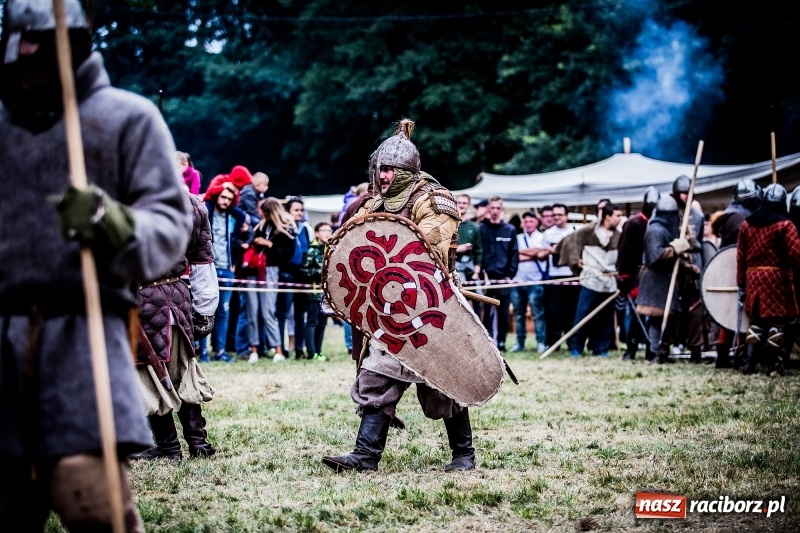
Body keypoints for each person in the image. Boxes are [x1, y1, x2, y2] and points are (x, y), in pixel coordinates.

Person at [0, 1, 191, 530]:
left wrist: (114, 223)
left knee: (92, 500)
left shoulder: (126, 118)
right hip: (2, 343)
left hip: (83, 341)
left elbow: (172, 228)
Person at [322, 119, 475, 473]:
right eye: (380, 169)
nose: (384, 176)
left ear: (407, 169)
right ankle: (365, 456)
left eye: (390, 169)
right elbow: (352, 238)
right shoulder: (375, 202)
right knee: (379, 371)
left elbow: (426, 246)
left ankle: (463, 454)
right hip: (392, 308)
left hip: (433, 305)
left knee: (445, 381)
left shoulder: (434, 199)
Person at [132, 189, 219, 459]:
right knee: (182, 370)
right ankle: (198, 443)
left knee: (150, 373)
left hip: (141, 298)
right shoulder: (192, 201)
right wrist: (205, 308)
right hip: (178, 295)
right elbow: (202, 260)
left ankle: (169, 448)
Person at [737, 183, 800, 376]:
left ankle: (748, 365)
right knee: (776, 323)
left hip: (754, 278)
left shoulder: (747, 224)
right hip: (777, 279)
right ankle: (774, 367)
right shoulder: (785, 225)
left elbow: (740, 257)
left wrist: (742, 282)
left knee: (756, 322)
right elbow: (796, 254)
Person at [560, 203, 624, 357]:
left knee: (605, 318)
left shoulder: (619, 235)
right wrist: (576, 260)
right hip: (591, 279)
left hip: (609, 282)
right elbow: (571, 242)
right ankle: (576, 347)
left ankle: (600, 348)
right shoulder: (588, 231)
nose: (620, 219)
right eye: (618, 216)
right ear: (608, 216)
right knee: (583, 315)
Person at [635, 195, 692, 364]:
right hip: (655, 279)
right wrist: (674, 248)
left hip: (666, 278)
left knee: (667, 319)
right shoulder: (656, 230)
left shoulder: (666, 229)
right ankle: (654, 352)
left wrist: (687, 266)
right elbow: (655, 256)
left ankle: (663, 351)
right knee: (656, 318)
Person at [711, 178, 762, 367]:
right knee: (738, 317)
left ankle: (725, 356)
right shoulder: (739, 219)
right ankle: (732, 356)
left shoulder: (731, 216)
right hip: (736, 269)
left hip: (731, 269)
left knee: (731, 316)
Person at [204, 180, 250, 362]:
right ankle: (201, 352)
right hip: (208, 268)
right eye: (222, 197)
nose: (225, 201)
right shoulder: (206, 211)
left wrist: (232, 192)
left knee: (224, 310)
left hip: (227, 268)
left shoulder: (233, 216)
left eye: (229, 199)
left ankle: (220, 351)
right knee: (205, 310)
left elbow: (243, 216)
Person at [616, 187, 659, 360]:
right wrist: (625, 277)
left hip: (653, 275)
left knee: (653, 313)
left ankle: (651, 348)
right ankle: (631, 348)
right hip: (636, 275)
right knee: (635, 314)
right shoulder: (634, 223)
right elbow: (624, 251)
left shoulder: (658, 223)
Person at [252, 197, 298, 362]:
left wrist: (267, 244)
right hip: (259, 270)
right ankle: (264, 348)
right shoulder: (262, 226)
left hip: (275, 271)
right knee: (256, 311)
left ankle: (279, 348)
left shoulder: (287, 229)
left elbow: (285, 254)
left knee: (271, 311)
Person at [671, 175, 706, 363]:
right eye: (682, 193)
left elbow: (700, 243)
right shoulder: (669, 212)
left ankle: (695, 349)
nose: (685, 197)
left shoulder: (697, 215)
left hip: (694, 264)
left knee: (694, 309)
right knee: (675, 309)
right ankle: (674, 343)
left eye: (688, 193)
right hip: (676, 265)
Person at [480, 196, 519, 352]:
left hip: (504, 277)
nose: (495, 211)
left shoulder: (510, 230)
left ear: (502, 210)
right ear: (489, 209)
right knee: (487, 311)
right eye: (492, 208)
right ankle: (488, 340)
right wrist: (482, 272)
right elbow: (479, 251)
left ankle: (502, 341)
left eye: (498, 208)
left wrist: (511, 274)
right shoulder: (482, 228)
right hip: (487, 277)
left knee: (504, 312)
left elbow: (514, 254)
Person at [540, 203, 578, 351]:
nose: (556, 217)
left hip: (571, 277)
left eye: (559, 215)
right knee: (553, 312)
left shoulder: (574, 231)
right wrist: (550, 251)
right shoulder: (548, 234)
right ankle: (553, 344)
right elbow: (542, 256)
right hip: (554, 277)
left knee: (571, 313)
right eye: (554, 215)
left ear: (566, 216)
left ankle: (572, 344)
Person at [510, 211, 548, 353]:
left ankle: (541, 343)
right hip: (518, 280)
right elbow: (514, 256)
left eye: (531, 221)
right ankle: (519, 343)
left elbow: (542, 253)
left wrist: (526, 253)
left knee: (537, 313)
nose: (528, 224)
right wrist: (534, 253)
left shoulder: (543, 237)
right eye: (526, 221)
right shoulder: (517, 238)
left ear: (536, 222)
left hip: (536, 281)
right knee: (518, 315)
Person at [299, 222, 333, 360]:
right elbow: (304, 271)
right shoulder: (311, 250)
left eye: (329, 230)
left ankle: (319, 352)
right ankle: (311, 353)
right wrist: (321, 272)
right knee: (312, 322)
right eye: (323, 230)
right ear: (317, 233)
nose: (327, 233)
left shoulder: (331, 250)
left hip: (326, 294)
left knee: (322, 323)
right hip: (313, 293)